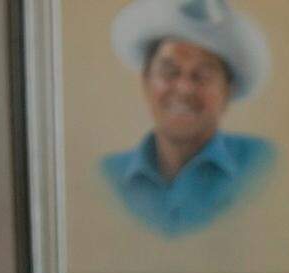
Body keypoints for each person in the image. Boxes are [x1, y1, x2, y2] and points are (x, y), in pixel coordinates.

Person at [100, 0, 275, 237]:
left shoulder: (260, 166)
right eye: (169, 72)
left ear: (228, 91)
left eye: (202, 75)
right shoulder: (109, 176)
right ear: (146, 81)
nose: (184, 89)